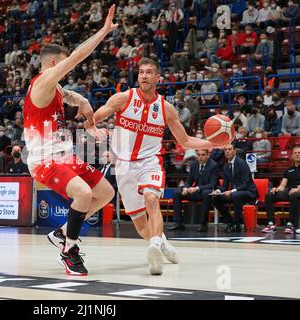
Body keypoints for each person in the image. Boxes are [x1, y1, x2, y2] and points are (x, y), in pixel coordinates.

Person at [91, 58, 222, 275]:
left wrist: (213, 143)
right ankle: (161, 243)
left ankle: (154, 248)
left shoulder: (166, 108)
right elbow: (95, 116)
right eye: (141, 72)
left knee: (152, 199)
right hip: (123, 167)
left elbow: (185, 141)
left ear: (158, 78)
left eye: (149, 72)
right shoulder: (123, 98)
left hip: (150, 162)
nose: (144, 75)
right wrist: (94, 129)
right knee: (143, 228)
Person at [24, 6, 118, 276]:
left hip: (64, 156)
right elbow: (79, 55)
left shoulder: (53, 86)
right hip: (45, 160)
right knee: (84, 194)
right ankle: (69, 252)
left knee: (105, 193)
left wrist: (84, 101)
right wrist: (103, 31)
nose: (67, 70)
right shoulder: (43, 82)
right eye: (63, 65)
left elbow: (69, 95)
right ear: (54, 64)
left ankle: (62, 233)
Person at [168, 149, 218, 232]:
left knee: (206, 193)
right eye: (199, 155)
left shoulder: (213, 165)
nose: (200, 157)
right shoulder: (194, 164)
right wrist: (186, 188)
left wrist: (196, 188)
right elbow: (189, 180)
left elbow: (212, 184)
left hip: (205, 191)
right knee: (177, 193)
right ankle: (179, 223)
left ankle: (203, 224)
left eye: (203, 155)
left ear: (208, 155)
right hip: (195, 192)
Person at [211, 144, 258, 232]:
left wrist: (232, 191)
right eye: (225, 150)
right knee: (215, 198)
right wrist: (217, 191)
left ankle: (237, 224)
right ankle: (230, 222)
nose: (227, 151)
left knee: (236, 195)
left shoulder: (242, 163)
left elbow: (246, 183)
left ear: (234, 151)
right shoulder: (225, 166)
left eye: (229, 149)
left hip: (248, 192)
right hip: (235, 193)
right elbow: (225, 186)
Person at [263, 146, 300, 234]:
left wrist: (298, 189)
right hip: (289, 192)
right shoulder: (288, 170)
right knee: (269, 195)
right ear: (292, 156)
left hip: (297, 192)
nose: (297, 154)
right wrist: (276, 189)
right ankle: (271, 224)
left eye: (299, 153)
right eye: (295, 153)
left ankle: (291, 224)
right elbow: (283, 185)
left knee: (293, 195)